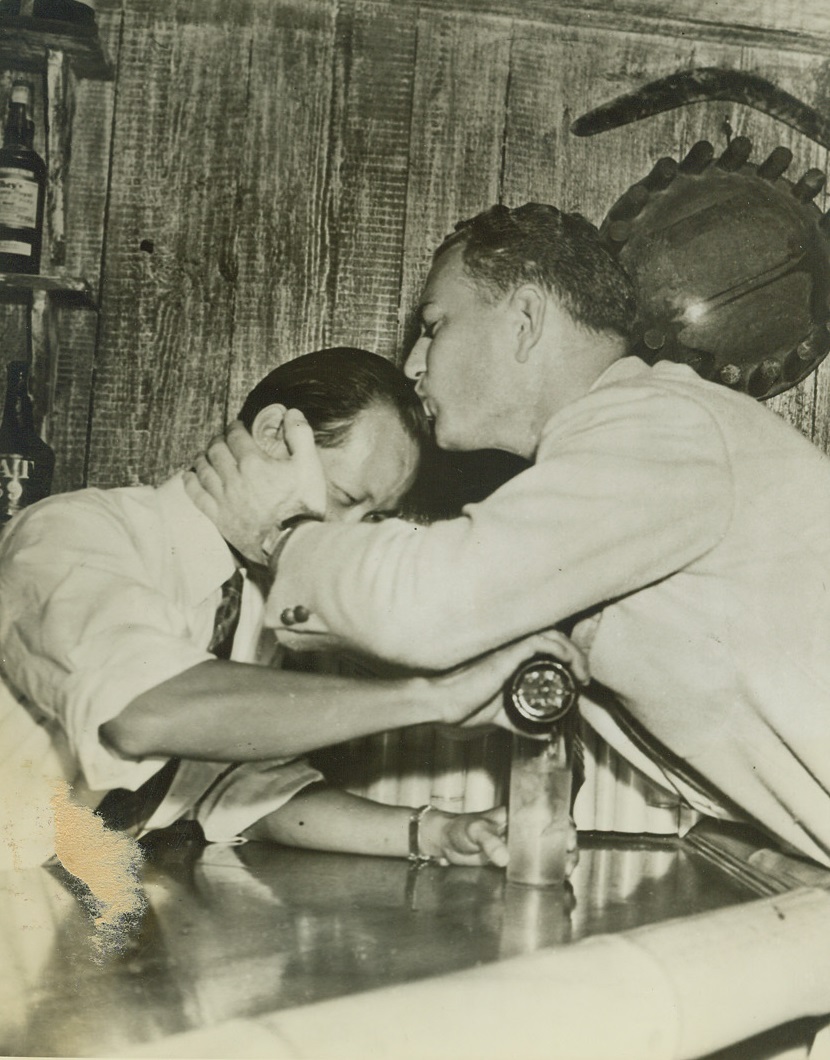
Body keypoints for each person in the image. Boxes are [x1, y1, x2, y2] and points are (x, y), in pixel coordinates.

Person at [186, 204, 830, 869]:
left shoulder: (657, 426)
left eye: (435, 327)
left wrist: (280, 532)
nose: (412, 363)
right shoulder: (628, 446)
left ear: (524, 321)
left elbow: (425, 607)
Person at [0, 345, 586, 869]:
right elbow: (143, 714)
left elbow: (236, 790)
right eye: (344, 500)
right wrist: (432, 697)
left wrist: (435, 832)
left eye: (373, 520)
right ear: (277, 434)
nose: (347, 537)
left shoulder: (254, 596)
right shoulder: (72, 533)